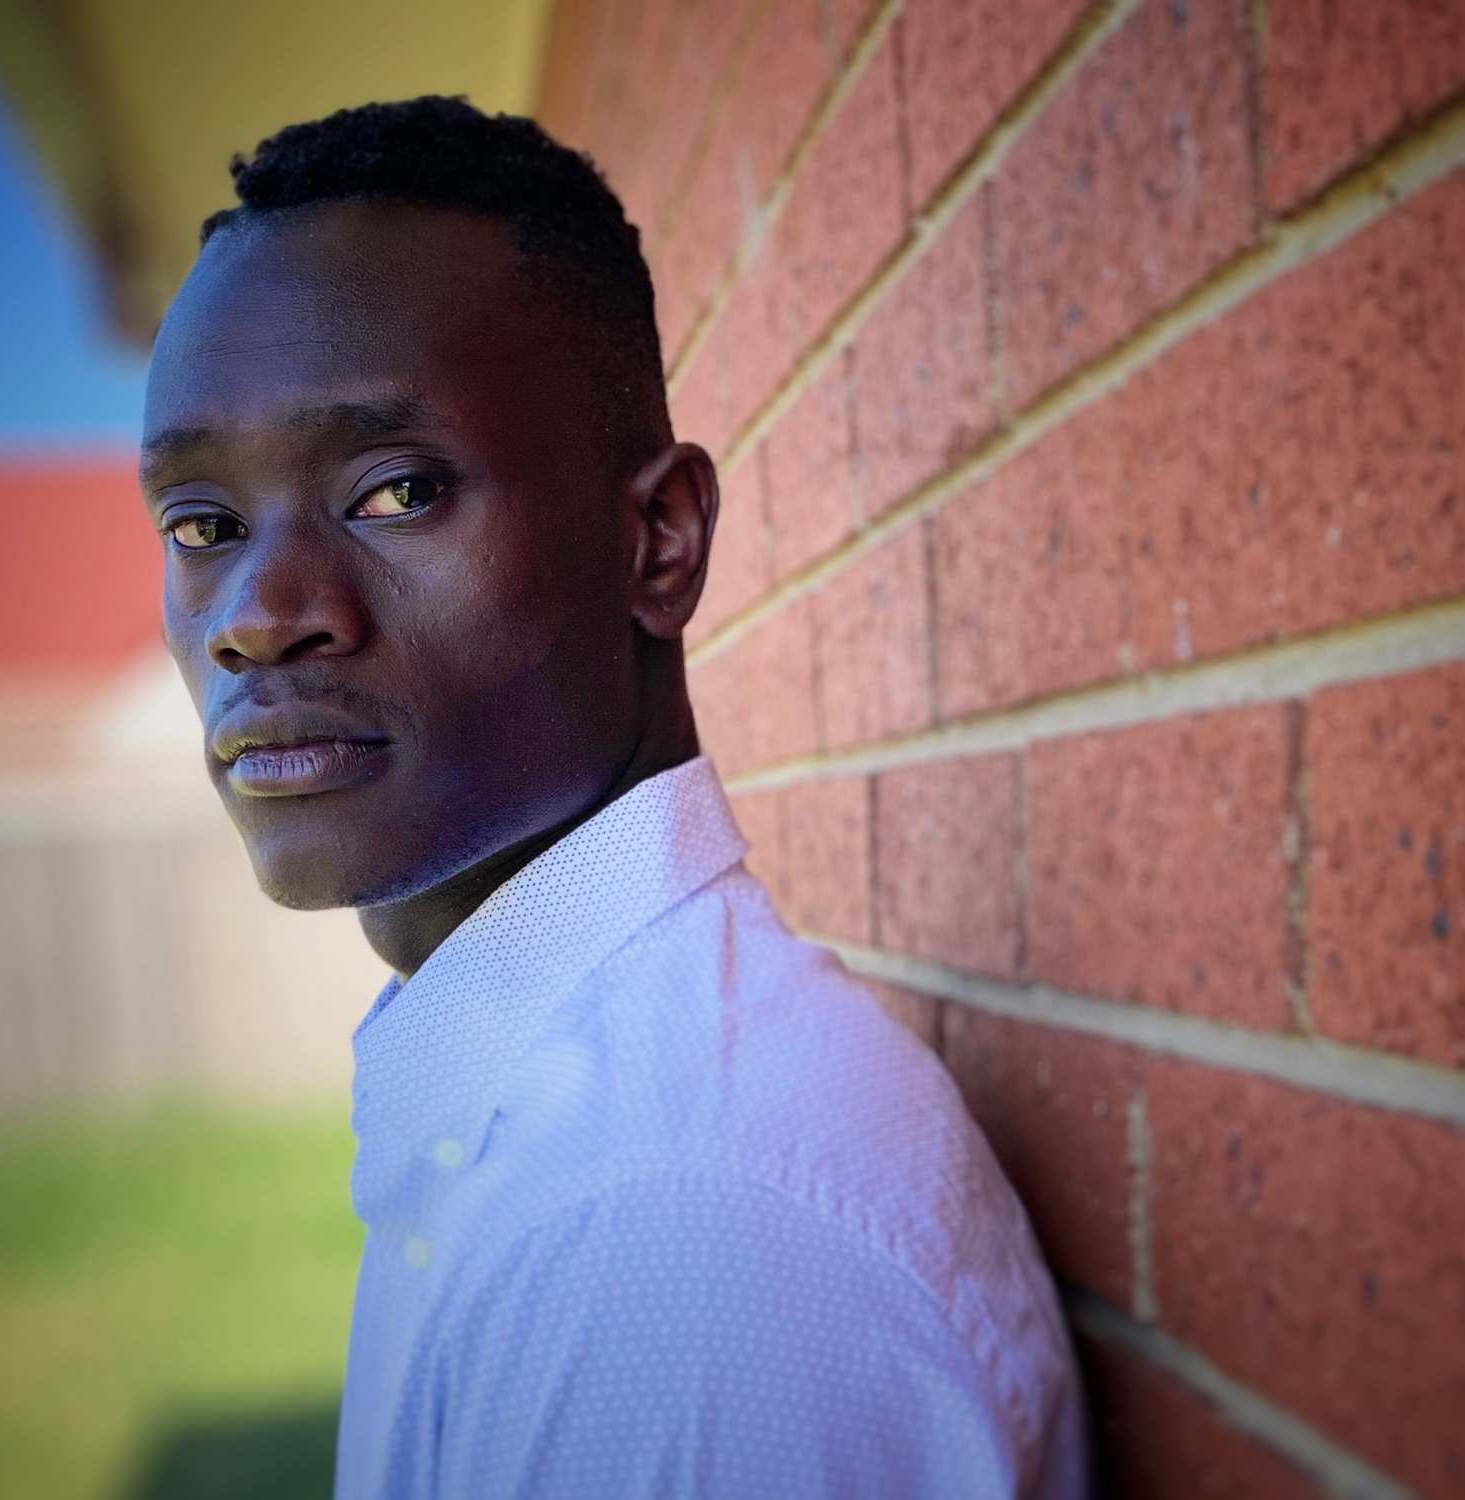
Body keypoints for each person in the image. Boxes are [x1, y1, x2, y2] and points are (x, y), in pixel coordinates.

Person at [138, 95, 1089, 1498]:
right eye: (204, 526)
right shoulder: (546, 1121)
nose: (258, 616)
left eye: (395, 492)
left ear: (659, 541)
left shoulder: (674, 1241)